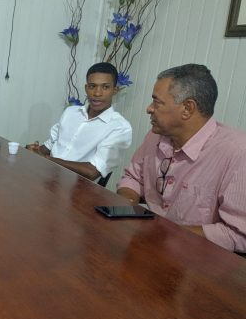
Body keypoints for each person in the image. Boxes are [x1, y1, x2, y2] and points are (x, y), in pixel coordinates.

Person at [117, 64, 246, 253]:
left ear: (187, 108)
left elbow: (239, 234)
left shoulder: (237, 153)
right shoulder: (156, 135)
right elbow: (133, 178)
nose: (149, 108)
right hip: (146, 245)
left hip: (197, 260)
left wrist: (166, 234)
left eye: (157, 102)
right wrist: (125, 207)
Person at [26, 62, 132, 182]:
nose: (97, 93)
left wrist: (47, 159)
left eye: (105, 87)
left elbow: (92, 172)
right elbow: (49, 145)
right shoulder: (70, 112)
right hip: (47, 176)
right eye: (92, 86)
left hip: (76, 187)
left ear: (115, 90)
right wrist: (34, 151)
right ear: (86, 88)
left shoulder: (120, 127)